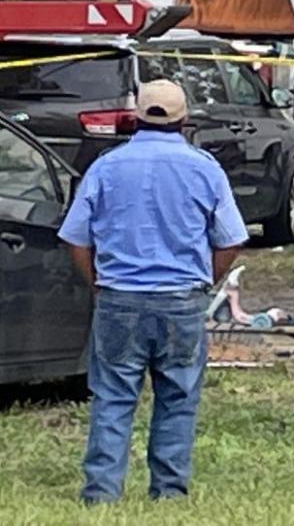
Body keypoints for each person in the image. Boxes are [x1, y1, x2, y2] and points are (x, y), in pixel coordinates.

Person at [58, 79, 249, 504]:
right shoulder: (204, 168)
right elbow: (231, 238)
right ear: (185, 120)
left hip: (118, 297)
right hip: (182, 299)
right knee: (178, 396)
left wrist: (97, 283)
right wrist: (205, 282)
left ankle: (102, 493)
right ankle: (169, 492)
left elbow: (75, 236)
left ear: (136, 116)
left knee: (112, 396)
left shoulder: (107, 167)